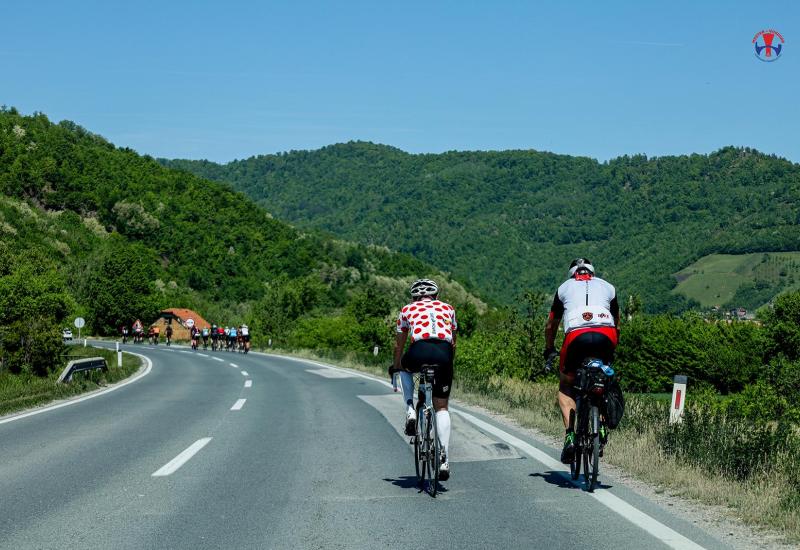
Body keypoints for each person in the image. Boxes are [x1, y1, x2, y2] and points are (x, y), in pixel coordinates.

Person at [544, 258, 620, 464]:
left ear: (572, 274)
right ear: (592, 273)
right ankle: (602, 427)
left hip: (576, 337)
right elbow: (617, 324)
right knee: (604, 379)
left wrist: (549, 349)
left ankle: (570, 435)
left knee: (566, 386)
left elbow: (551, 326)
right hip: (606, 335)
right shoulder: (608, 288)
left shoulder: (563, 289)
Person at [392, 279, 457, 481]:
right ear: (436, 296)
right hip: (443, 354)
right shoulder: (448, 308)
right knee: (442, 408)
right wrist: (447, 364)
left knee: (404, 367)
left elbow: (399, 342)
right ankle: (444, 459)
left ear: (414, 297)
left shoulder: (406, 309)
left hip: (418, 351)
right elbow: (453, 341)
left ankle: (411, 409)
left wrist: (397, 365)